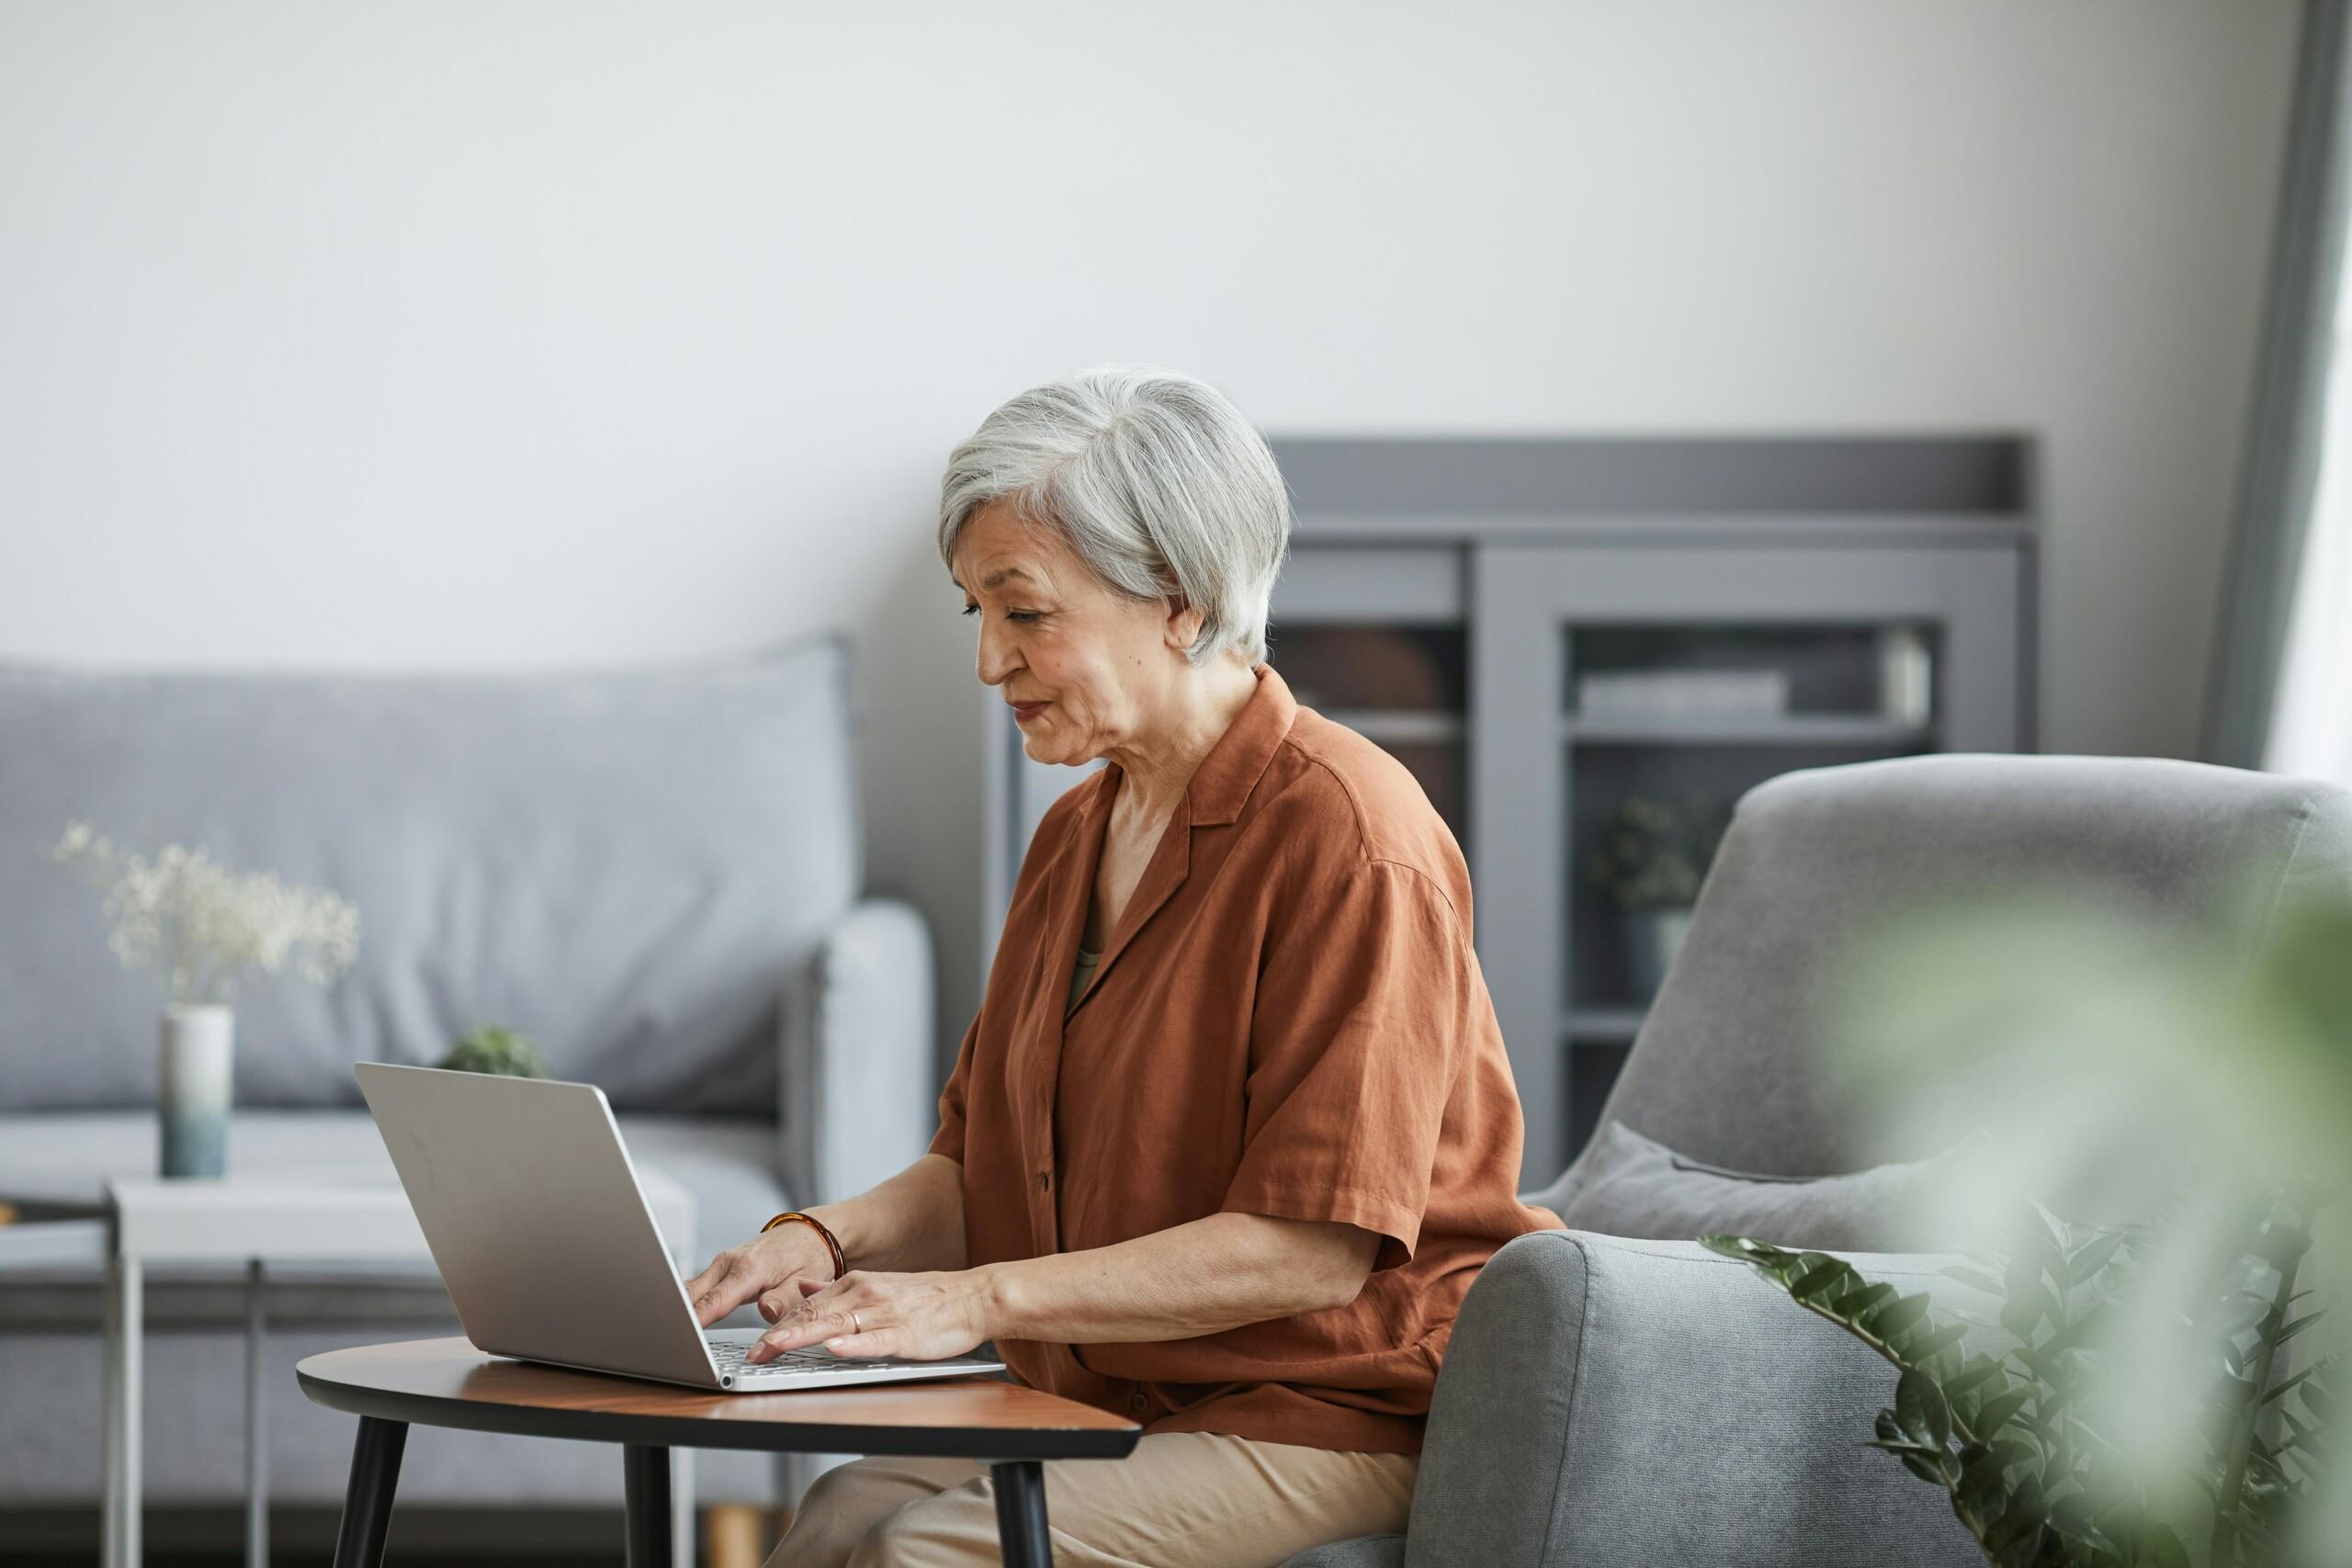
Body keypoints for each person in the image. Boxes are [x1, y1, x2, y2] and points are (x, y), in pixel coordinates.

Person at [684, 366, 1562, 1567]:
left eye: (1027, 613)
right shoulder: (1075, 834)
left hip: (1331, 1410)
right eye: (974, 615)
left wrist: (977, 1301)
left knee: (927, 1552)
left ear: (1183, 603)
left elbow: (1312, 1247)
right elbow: (978, 1170)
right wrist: (820, 1239)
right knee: (841, 1510)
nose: (990, 664)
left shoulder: (1353, 833)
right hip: (1126, 1390)